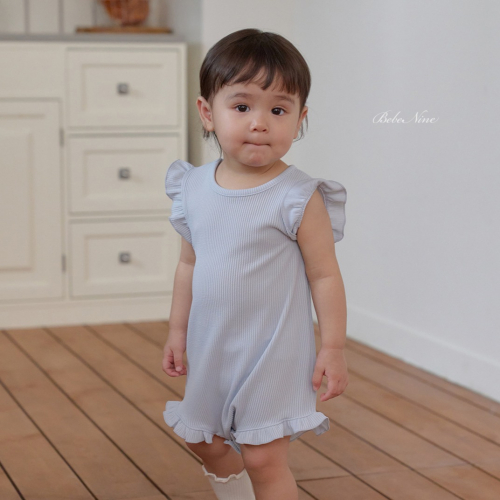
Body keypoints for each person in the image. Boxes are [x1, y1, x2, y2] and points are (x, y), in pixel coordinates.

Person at [161, 28, 348, 500]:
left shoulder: (297, 196)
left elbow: (325, 275)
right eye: (242, 106)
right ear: (208, 112)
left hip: (274, 352)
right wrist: (177, 331)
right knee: (203, 439)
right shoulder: (193, 188)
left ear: (300, 119)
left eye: (278, 110)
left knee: (264, 457)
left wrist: (333, 347)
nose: (260, 123)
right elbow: (188, 266)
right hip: (212, 343)